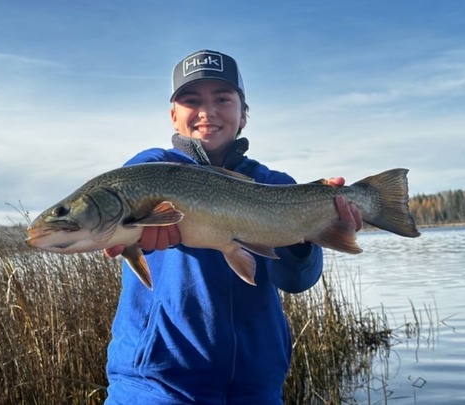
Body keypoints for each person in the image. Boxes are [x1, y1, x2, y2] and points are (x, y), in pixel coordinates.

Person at [104, 49, 362, 404]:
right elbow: (127, 218)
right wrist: (137, 233)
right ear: (173, 116)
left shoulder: (276, 185)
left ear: (243, 115)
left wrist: (307, 233)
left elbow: (297, 281)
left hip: (257, 389)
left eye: (223, 99)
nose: (207, 111)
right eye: (192, 100)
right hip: (156, 388)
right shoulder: (149, 169)